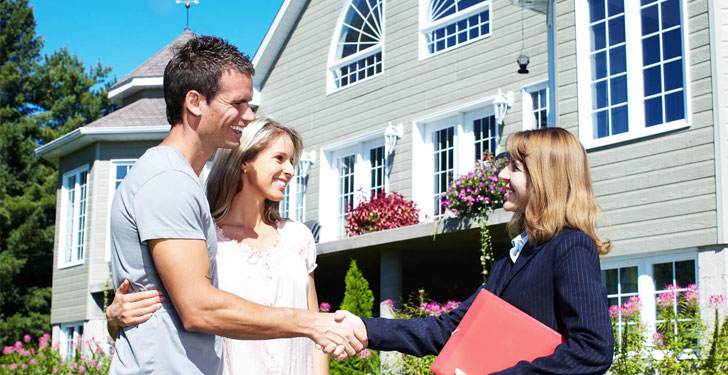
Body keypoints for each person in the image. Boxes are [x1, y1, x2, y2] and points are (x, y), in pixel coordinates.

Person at [108, 35, 364, 374]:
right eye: (239, 103)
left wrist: (114, 319)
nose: (249, 114)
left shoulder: (179, 181)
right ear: (195, 102)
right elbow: (198, 307)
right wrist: (312, 324)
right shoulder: (167, 182)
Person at [356, 127, 614, 374]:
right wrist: (363, 328)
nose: (502, 174)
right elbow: (453, 328)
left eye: (515, 167)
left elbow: (593, 349)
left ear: (544, 178)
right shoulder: (510, 258)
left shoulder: (571, 246)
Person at [109, 118, 330, 374]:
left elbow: (316, 329)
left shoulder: (298, 237)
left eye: (292, 161)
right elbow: (174, 313)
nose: (290, 170)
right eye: (279, 158)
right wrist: (114, 321)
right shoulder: (204, 237)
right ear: (245, 161)